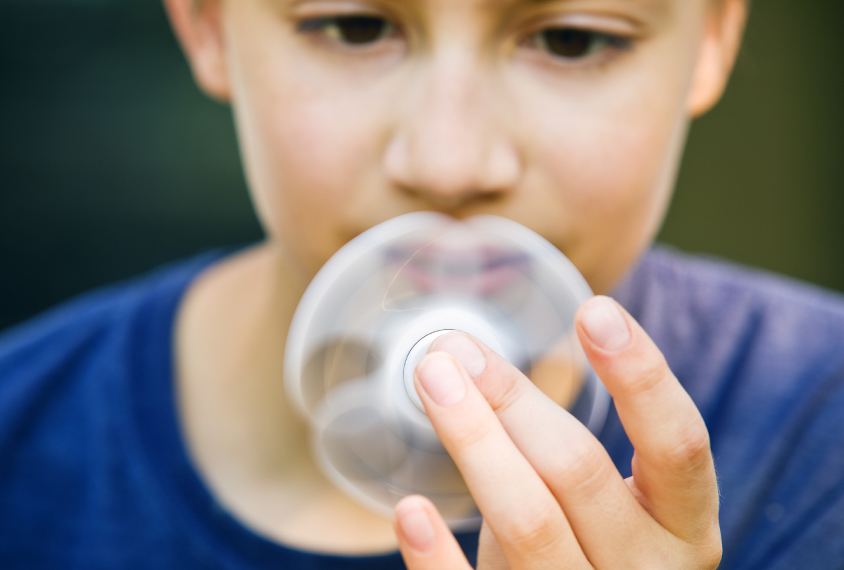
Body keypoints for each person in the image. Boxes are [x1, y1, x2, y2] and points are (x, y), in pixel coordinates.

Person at [1, 0, 842, 568]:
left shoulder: (820, 433)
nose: (451, 164)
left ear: (713, 41)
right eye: (356, 25)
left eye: (572, 39)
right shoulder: (21, 448)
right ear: (209, 24)